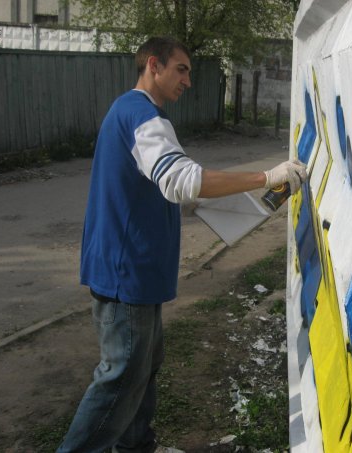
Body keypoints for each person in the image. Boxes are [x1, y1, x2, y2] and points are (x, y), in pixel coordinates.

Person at [57, 36, 306, 453]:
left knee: (142, 368)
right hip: (126, 271)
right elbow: (180, 179)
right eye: (181, 69)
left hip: (133, 269)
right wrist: (267, 177)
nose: (188, 81)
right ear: (153, 65)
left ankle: (136, 447)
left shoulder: (132, 111)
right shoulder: (141, 114)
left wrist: (201, 205)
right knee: (122, 375)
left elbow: (155, 185)